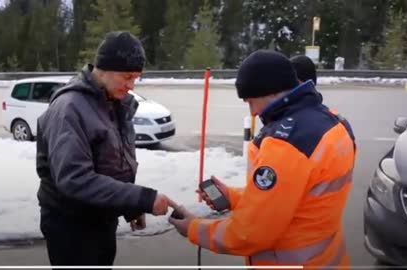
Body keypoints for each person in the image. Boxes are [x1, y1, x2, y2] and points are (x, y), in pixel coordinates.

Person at [169, 50, 356, 268]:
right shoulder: (334, 122)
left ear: (270, 93)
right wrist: (234, 196)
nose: (254, 112)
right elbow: (295, 196)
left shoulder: (285, 144)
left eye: (250, 101)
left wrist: (194, 228)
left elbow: (249, 233)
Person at [36, 31, 172, 267]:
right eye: (127, 77)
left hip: (102, 220)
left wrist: (131, 206)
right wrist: (143, 198)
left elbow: (114, 164)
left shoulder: (114, 103)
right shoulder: (70, 108)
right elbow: (75, 179)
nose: (131, 86)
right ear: (104, 68)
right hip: (71, 228)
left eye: (136, 78)